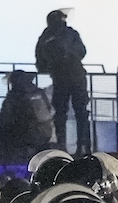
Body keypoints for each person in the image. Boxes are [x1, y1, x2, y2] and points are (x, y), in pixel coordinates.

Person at [34, 10, 91, 155]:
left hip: (60, 77)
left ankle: (61, 146)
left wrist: (52, 65)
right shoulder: (71, 33)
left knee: (60, 113)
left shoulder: (46, 36)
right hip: (78, 76)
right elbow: (82, 51)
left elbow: (40, 61)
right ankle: (83, 146)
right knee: (81, 112)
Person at [0, 69, 55, 166]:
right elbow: (49, 110)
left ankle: (0, 160)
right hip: (46, 133)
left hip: (27, 134)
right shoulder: (38, 92)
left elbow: (4, 118)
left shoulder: (15, 95)